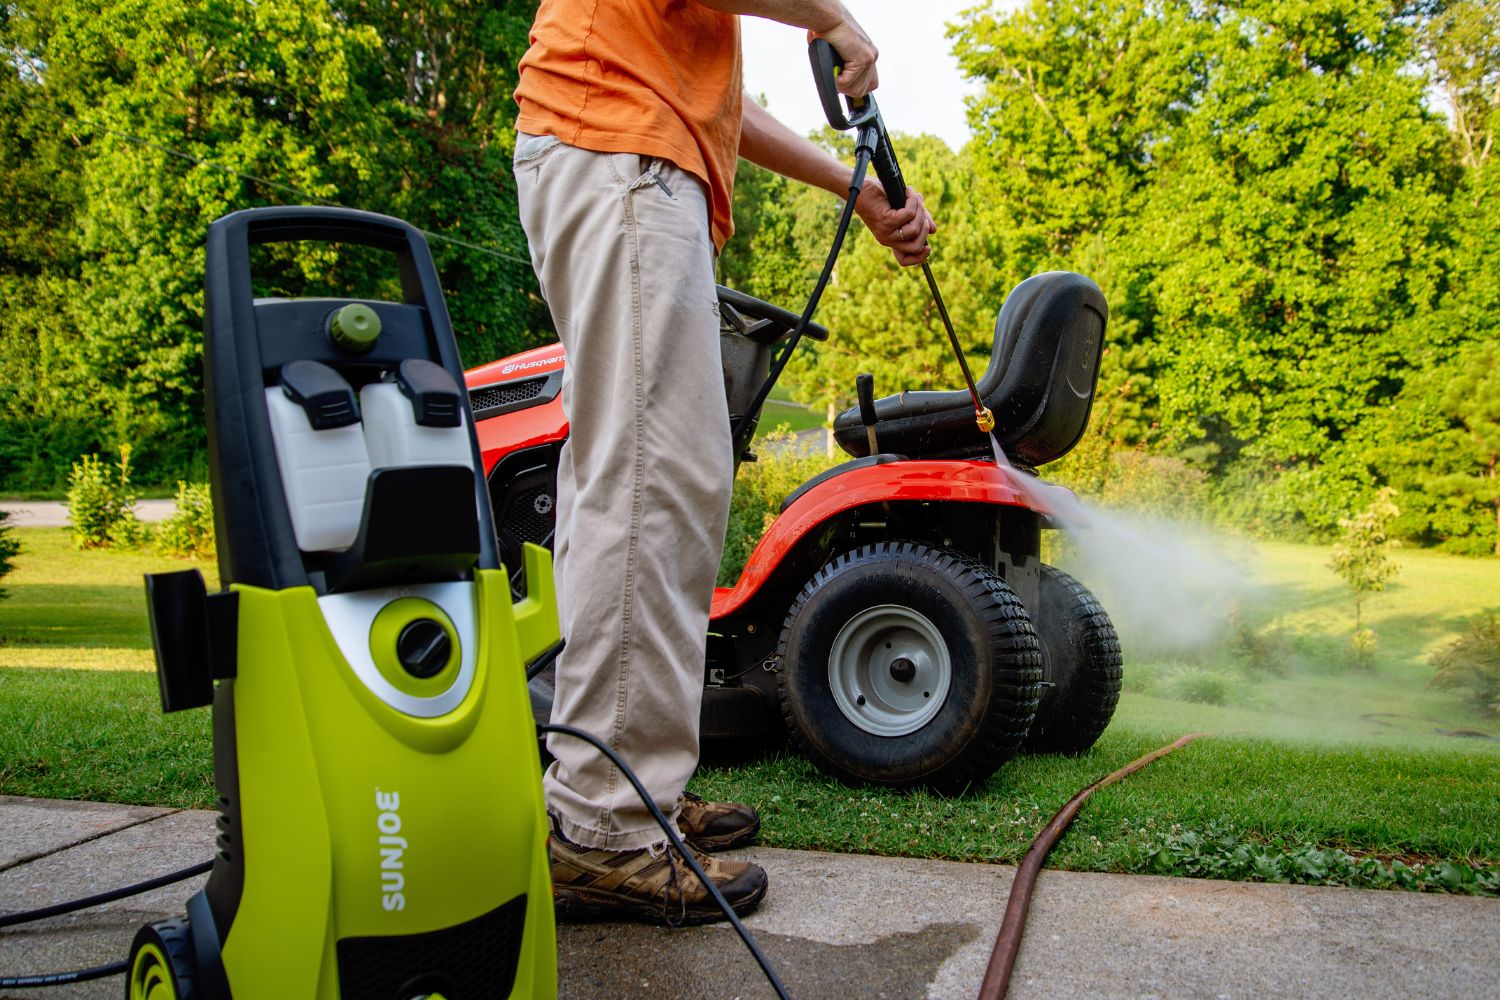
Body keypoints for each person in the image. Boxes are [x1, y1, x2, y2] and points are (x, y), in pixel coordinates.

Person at [512, 0, 937, 925]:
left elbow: (720, 108)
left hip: (624, 154)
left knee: (628, 489)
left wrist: (853, 188)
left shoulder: (649, 49)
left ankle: (621, 787)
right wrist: (835, 20)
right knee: (653, 489)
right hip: (620, 160)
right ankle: (604, 823)